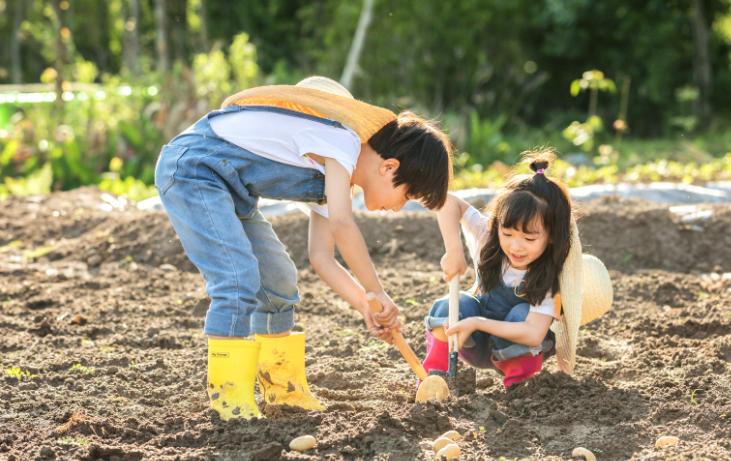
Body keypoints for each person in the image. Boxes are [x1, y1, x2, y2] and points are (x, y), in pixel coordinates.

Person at [154, 76, 452, 420]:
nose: (399, 208)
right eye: (407, 197)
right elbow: (342, 224)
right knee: (237, 278)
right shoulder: (342, 141)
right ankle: (229, 400)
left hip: (231, 192)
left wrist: (366, 304)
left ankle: (282, 388)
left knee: (279, 278)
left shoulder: (335, 181)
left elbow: (322, 257)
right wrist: (377, 289)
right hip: (194, 171)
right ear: (389, 168)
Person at [422, 149, 613, 388]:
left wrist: (478, 323)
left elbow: (533, 333)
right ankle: (435, 380)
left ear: (552, 237)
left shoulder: (551, 277)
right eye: (507, 233)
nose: (515, 246)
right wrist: (454, 250)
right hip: (476, 345)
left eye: (529, 239)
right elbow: (448, 201)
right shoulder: (489, 239)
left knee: (521, 314)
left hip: (518, 351)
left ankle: (519, 389)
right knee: (451, 304)